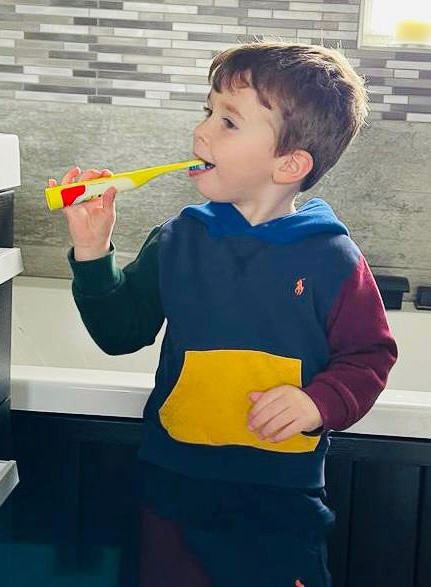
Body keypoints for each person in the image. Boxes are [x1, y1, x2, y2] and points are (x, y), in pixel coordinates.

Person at [47, 42, 398, 587]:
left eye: (228, 121)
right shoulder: (179, 238)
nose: (202, 132)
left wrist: (317, 401)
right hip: (173, 485)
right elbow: (120, 334)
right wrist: (92, 254)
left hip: (281, 497)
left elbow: (371, 356)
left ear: (290, 164)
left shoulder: (332, 258)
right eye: (207, 111)